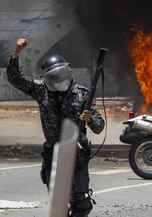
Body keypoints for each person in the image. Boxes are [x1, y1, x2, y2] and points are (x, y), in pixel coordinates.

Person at [6, 39, 105, 216]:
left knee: (82, 204)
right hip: (54, 153)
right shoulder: (41, 90)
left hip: (77, 153)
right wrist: (17, 52)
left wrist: (89, 119)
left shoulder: (82, 94)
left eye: (60, 75)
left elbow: (99, 127)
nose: (58, 80)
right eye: (53, 77)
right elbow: (15, 78)